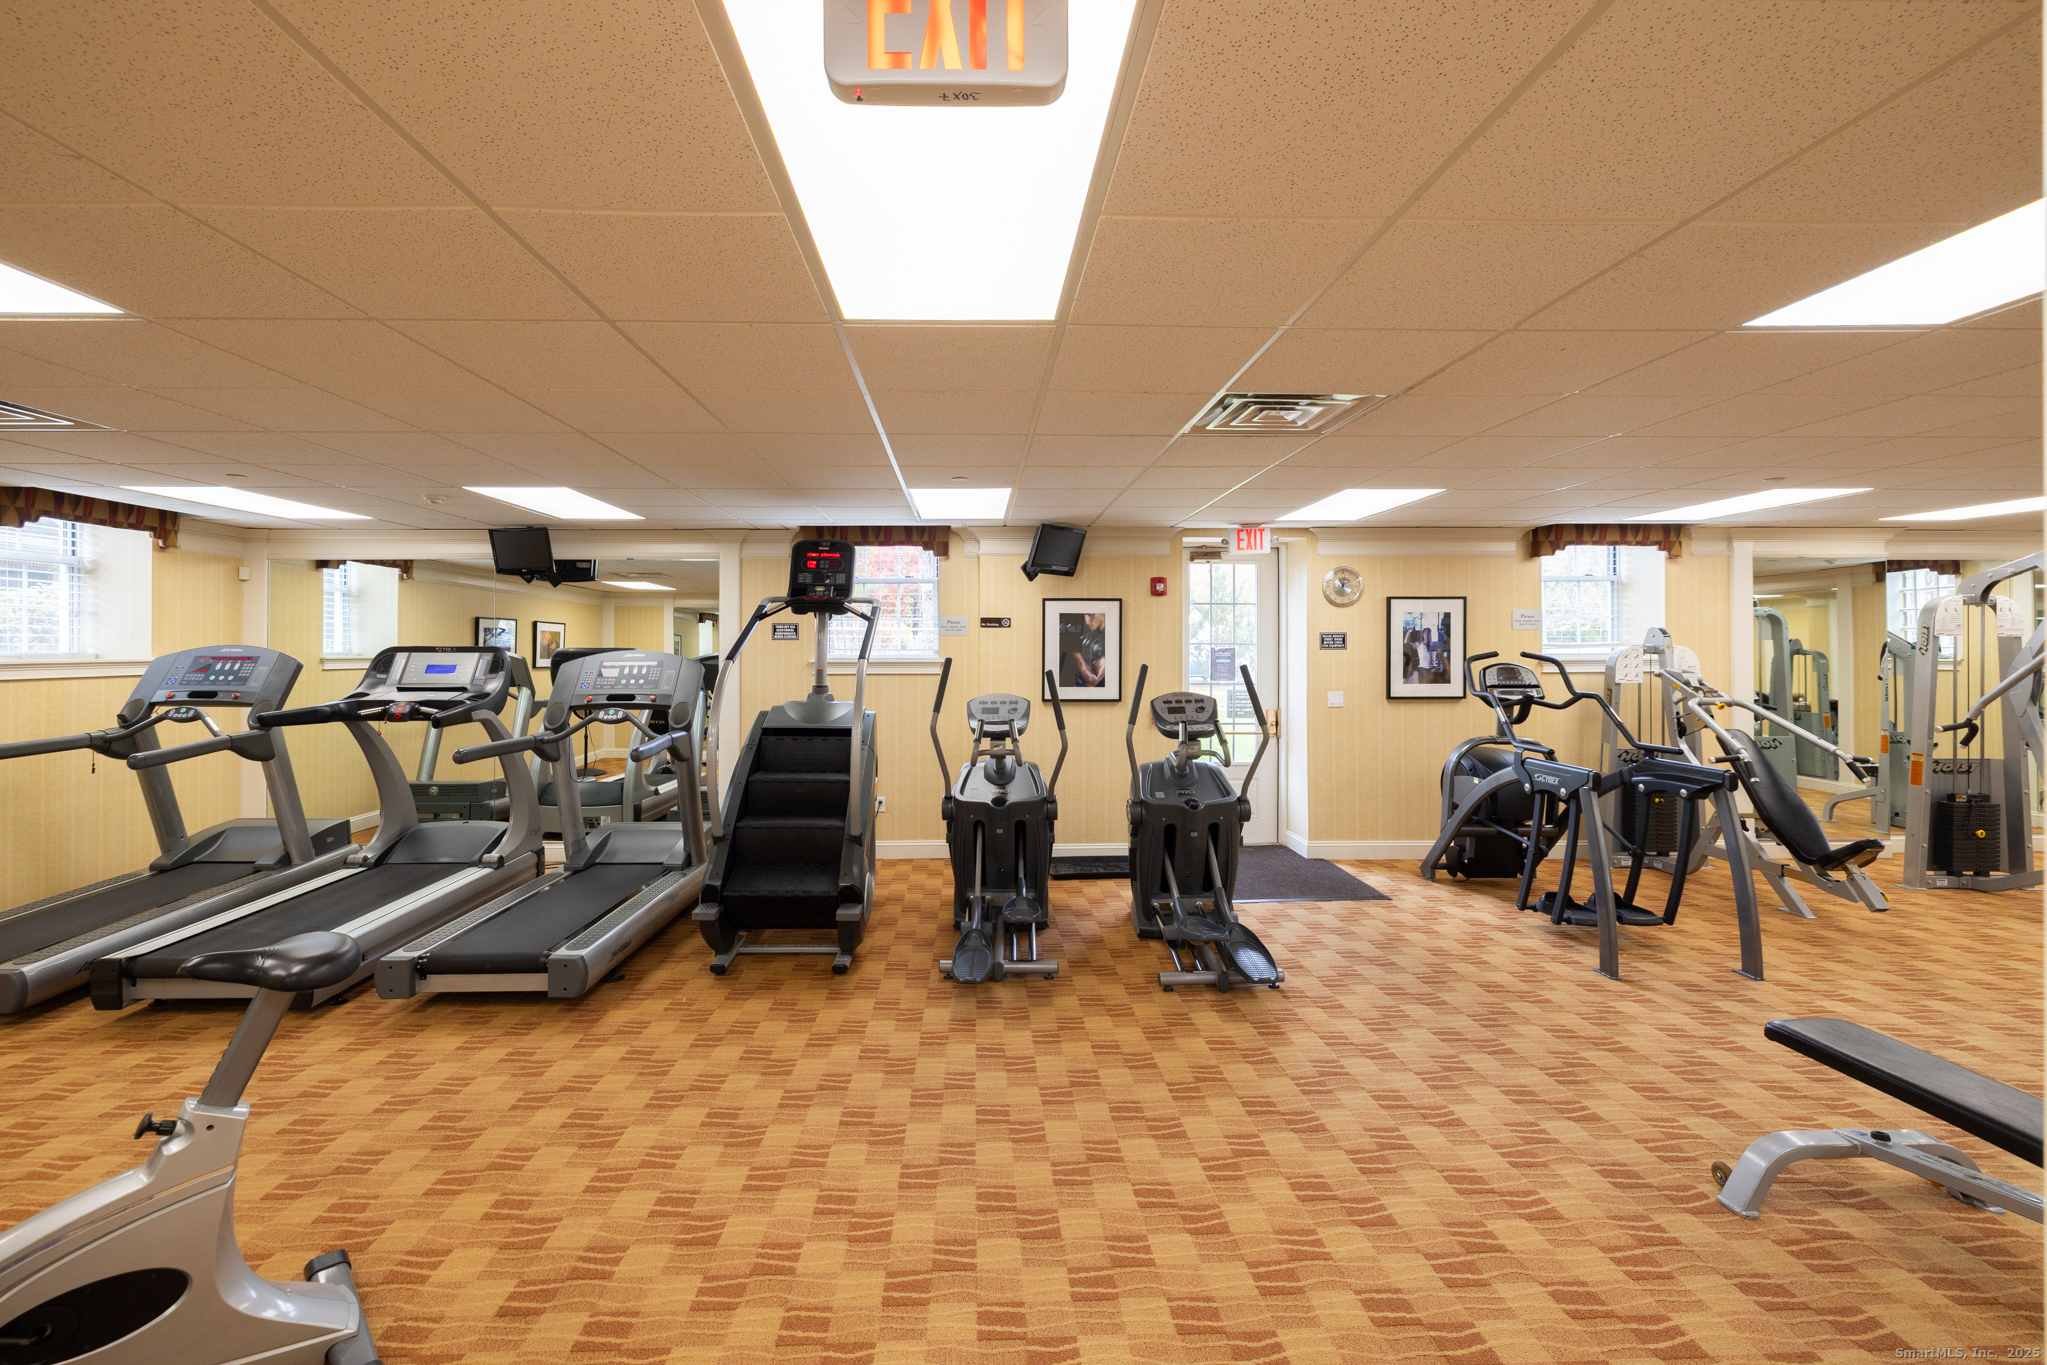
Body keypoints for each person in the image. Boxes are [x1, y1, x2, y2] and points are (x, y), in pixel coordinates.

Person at [1059, 612, 1107, 688]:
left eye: (1091, 614)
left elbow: (1091, 681)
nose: (1086, 620)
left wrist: (1075, 653)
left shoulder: (1109, 638)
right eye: (1084, 615)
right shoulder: (1089, 632)